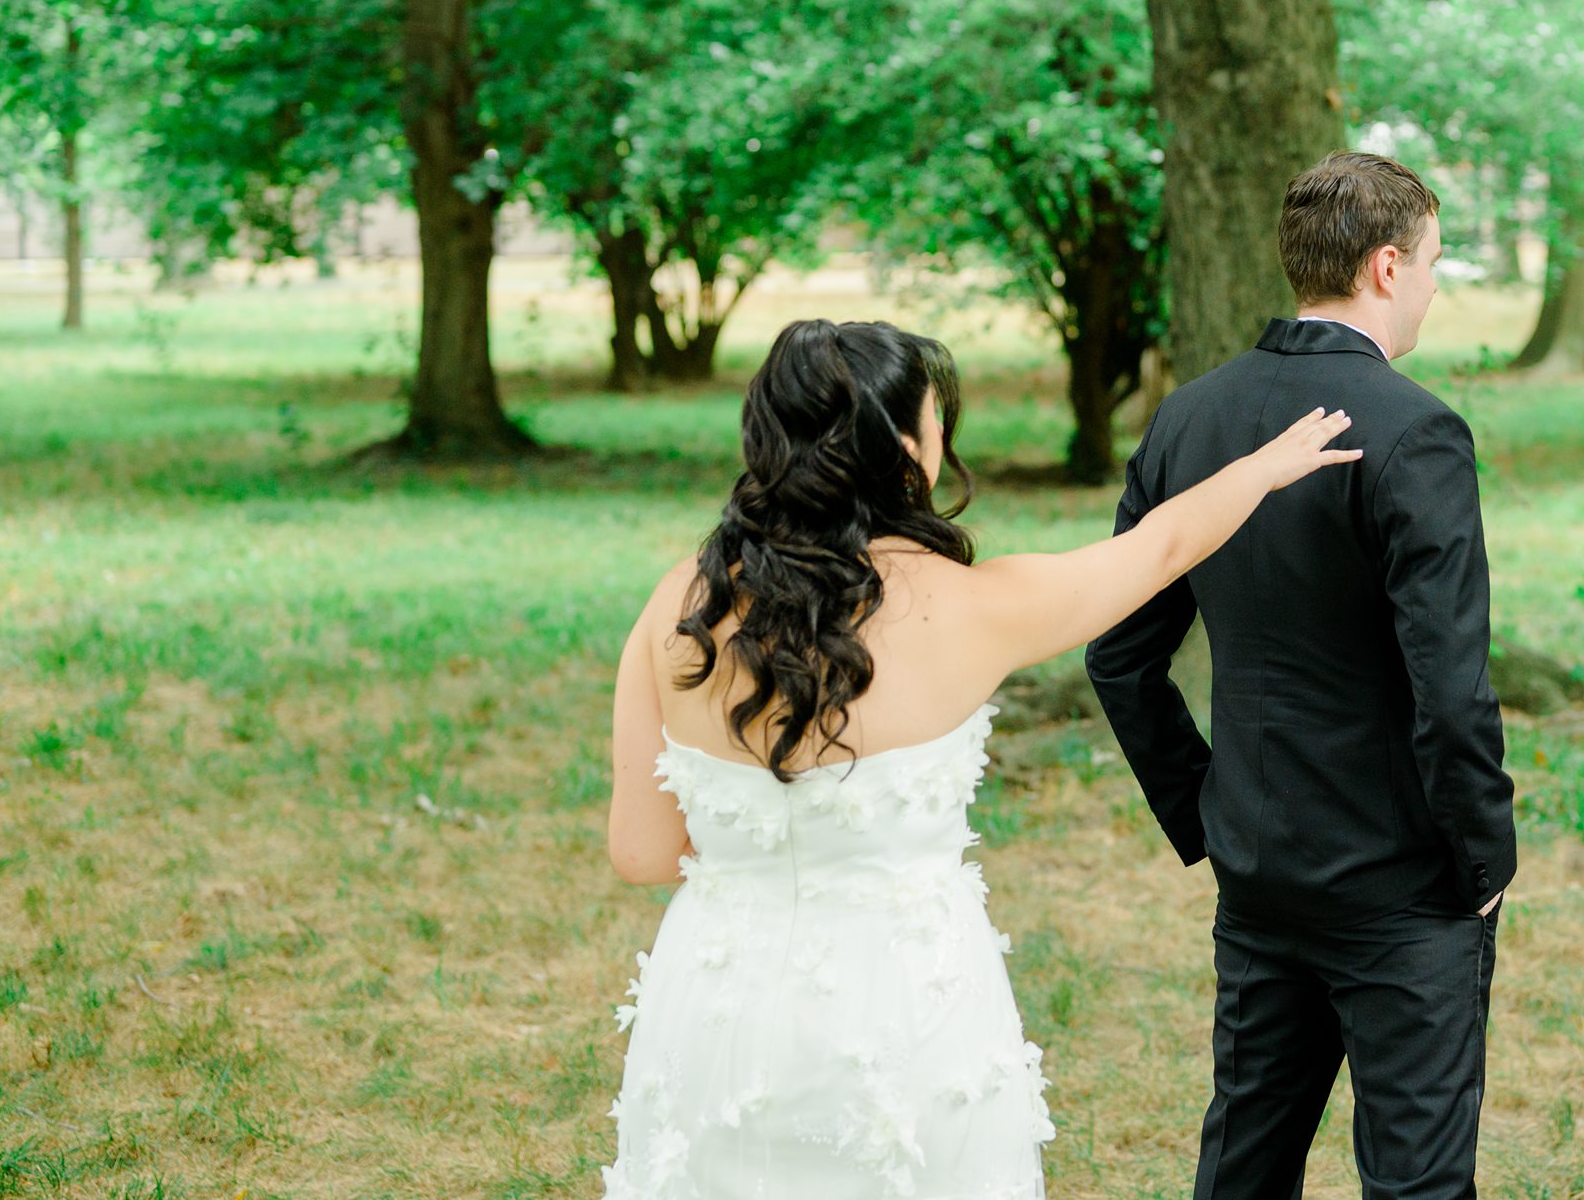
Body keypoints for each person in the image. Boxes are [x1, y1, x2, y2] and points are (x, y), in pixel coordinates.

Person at [601, 316, 1363, 1199]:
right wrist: (1263, 467)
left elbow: (642, 853)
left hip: (718, 1014)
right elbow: (1157, 548)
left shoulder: (675, 609)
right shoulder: (969, 608)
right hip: (908, 1008)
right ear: (905, 450)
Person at [1087, 151, 1517, 1200]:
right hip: (1398, 878)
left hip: (1257, 859)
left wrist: (1205, 808)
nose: (1429, 286)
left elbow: (1118, 648)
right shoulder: (1414, 429)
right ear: (1383, 267)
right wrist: (1482, 854)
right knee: (1415, 1182)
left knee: (1243, 1164)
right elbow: (1448, 684)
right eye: (1429, 263)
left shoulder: (1192, 416)